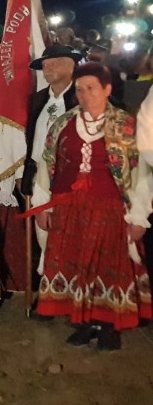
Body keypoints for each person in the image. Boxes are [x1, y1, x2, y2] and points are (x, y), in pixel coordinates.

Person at [32, 62, 152, 350]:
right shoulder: (62, 123)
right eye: (80, 89)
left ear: (107, 89)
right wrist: (42, 206)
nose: (84, 95)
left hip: (110, 210)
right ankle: (84, 322)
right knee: (75, 265)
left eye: (91, 89)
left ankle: (109, 326)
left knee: (107, 267)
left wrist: (138, 216)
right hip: (68, 210)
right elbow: (46, 166)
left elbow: (141, 175)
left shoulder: (126, 126)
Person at [20, 45, 81, 297]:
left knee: (74, 239)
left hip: (72, 180)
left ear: (71, 65)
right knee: (44, 237)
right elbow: (32, 140)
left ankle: (78, 297)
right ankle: (51, 293)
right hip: (39, 178)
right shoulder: (38, 99)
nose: (47, 66)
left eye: (54, 61)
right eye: (45, 63)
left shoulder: (83, 97)